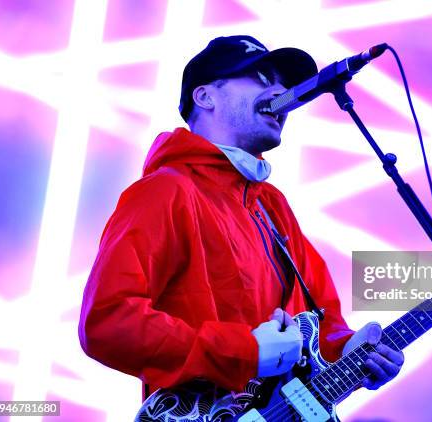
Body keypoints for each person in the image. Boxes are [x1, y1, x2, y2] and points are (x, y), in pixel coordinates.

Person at [78, 35, 403, 406]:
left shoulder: (273, 207)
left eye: (285, 85)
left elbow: (322, 322)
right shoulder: (166, 191)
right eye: (263, 79)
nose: (282, 92)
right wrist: (244, 351)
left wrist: (350, 349)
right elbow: (108, 323)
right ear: (205, 97)